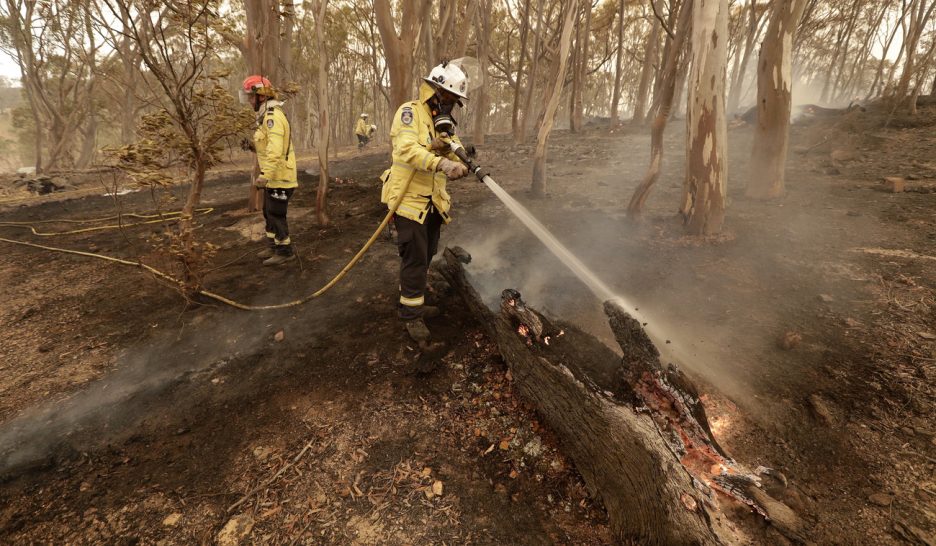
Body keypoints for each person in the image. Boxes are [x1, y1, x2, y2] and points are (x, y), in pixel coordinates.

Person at [380, 61, 471, 343]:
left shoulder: (441, 122)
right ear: (438, 92)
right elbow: (407, 149)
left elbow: (455, 149)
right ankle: (411, 317)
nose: (454, 105)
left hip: (432, 202)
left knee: (427, 253)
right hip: (408, 202)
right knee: (415, 258)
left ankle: (415, 303)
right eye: (452, 99)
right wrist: (442, 164)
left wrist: (465, 161)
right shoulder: (410, 112)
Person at [241, 75, 298, 266]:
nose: (249, 101)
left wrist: (264, 176)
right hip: (273, 176)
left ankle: (285, 251)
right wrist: (252, 146)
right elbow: (267, 147)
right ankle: (273, 245)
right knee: (268, 212)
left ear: (262, 96)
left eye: (251, 96)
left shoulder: (272, 117)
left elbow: (275, 151)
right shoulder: (265, 116)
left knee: (276, 214)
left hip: (279, 176)